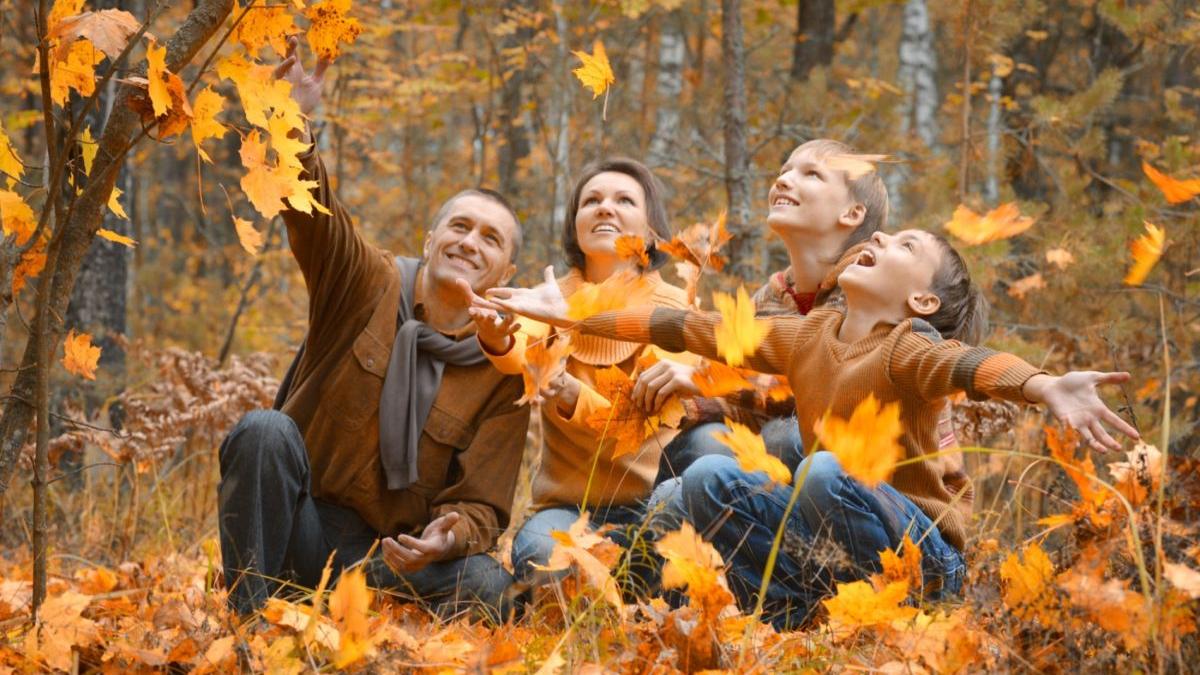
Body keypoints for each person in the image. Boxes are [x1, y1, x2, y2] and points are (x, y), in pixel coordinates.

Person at [475, 228, 1139, 628]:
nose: (881, 238)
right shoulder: (808, 334)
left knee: (821, 470)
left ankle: (896, 606)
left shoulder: (908, 346)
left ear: (921, 300)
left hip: (923, 560)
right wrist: (571, 314)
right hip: (828, 545)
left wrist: (1044, 385)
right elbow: (686, 327)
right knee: (709, 477)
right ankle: (798, 608)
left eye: (904, 245)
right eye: (887, 235)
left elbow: (968, 364)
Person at [217, 37, 530, 621]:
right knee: (263, 432)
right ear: (430, 241)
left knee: (491, 585)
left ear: (506, 273)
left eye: (491, 239)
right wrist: (294, 125)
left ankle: (376, 626)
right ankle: (248, 622)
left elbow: (484, 505)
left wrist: (445, 537)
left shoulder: (504, 369)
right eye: (459, 227)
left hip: (390, 563)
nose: (470, 242)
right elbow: (316, 216)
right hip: (301, 528)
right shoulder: (366, 280)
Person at [463, 158, 697, 590]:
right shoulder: (547, 298)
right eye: (591, 201)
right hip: (569, 510)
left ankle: (639, 593)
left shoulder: (674, 307)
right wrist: (496, 336)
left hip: (652, 503)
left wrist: (572, 393)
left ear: (651, 232)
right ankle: (603, 596)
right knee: (539, 554)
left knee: (687, 523)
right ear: (575, 226)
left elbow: (639, 420)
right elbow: (517, 349)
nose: (605, 207)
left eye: (624, 200)